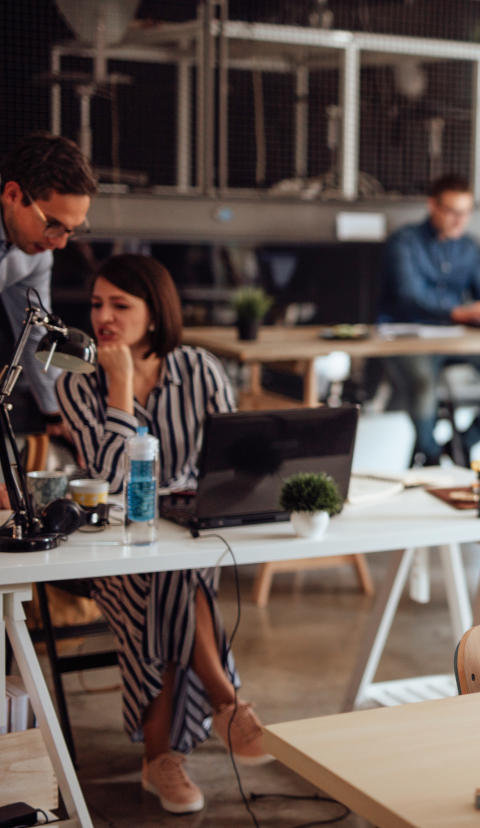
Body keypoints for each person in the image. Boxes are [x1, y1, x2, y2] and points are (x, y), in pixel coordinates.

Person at [57, 254, 266, 815]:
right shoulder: (78, 384)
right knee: (166, 581)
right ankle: (224, 701)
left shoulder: (200, 368)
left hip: (192, 538)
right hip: (107, 551)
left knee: (172, 573)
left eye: (120, 305)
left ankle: (161, 758)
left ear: (155, 313)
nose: (103, 316)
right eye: (97, 304)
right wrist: (121, 387)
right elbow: (107, 480)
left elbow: (231, 463)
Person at [376, 173, 480, 466]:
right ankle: (432, 456)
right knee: (424, 387)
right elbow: (408, 295)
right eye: (451, 211)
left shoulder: (468, 246)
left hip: (456, 337)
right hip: (407, 334)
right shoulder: (404, 242)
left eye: (465, 212)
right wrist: (457, 312)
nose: (459, 220)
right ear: (432, 206)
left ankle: (461, 444)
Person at [0, 132, 96, 495]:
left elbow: (37, 332)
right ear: (13, 194)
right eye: (53, 223)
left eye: (71, 230)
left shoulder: (35, 254)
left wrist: (55, 413)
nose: (60, 241)